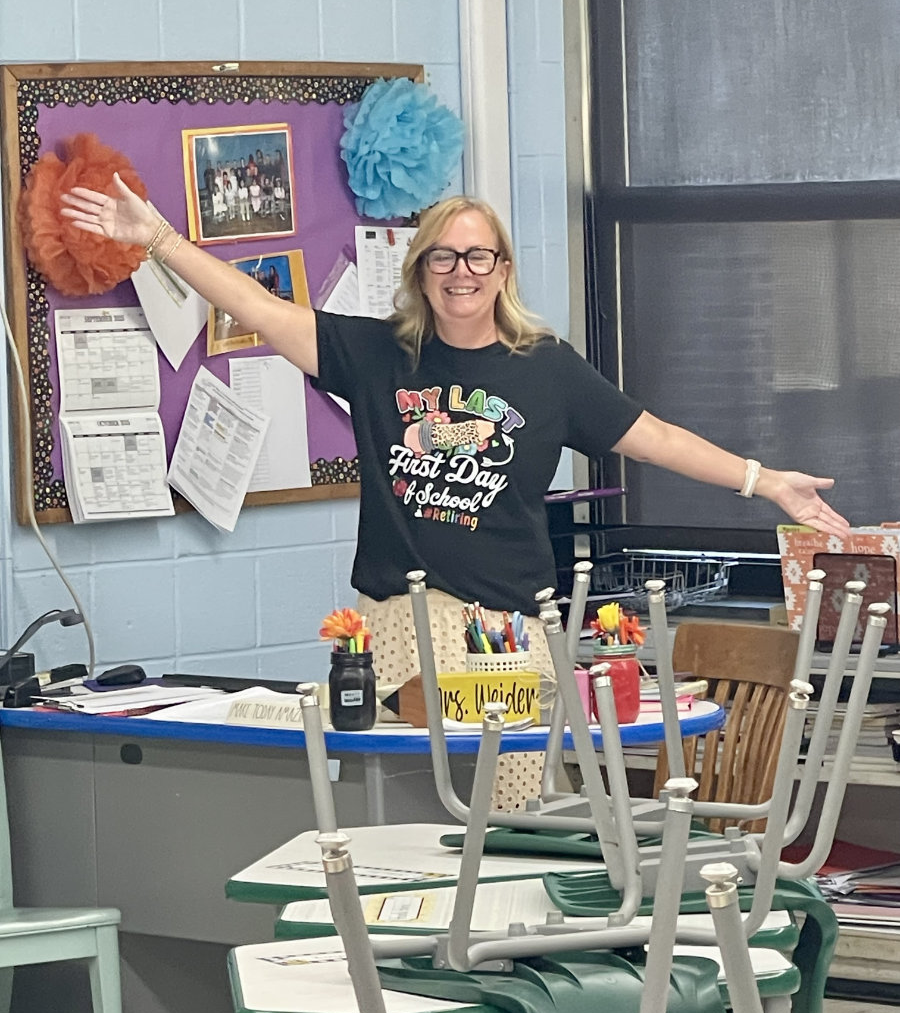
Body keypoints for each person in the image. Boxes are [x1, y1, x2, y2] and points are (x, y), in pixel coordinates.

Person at [60, 179, 849, 808]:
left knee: (515, 814)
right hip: (403, 618)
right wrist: (158, 238)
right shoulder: (375, 355)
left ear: (503, 269)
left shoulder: (546, 367)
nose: (462, 272)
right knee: (400, 811)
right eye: (443, 257)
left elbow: (656, 437)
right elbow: (257, 307)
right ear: (420, 272)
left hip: (511, 624)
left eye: (479, 257)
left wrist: (763, 480)